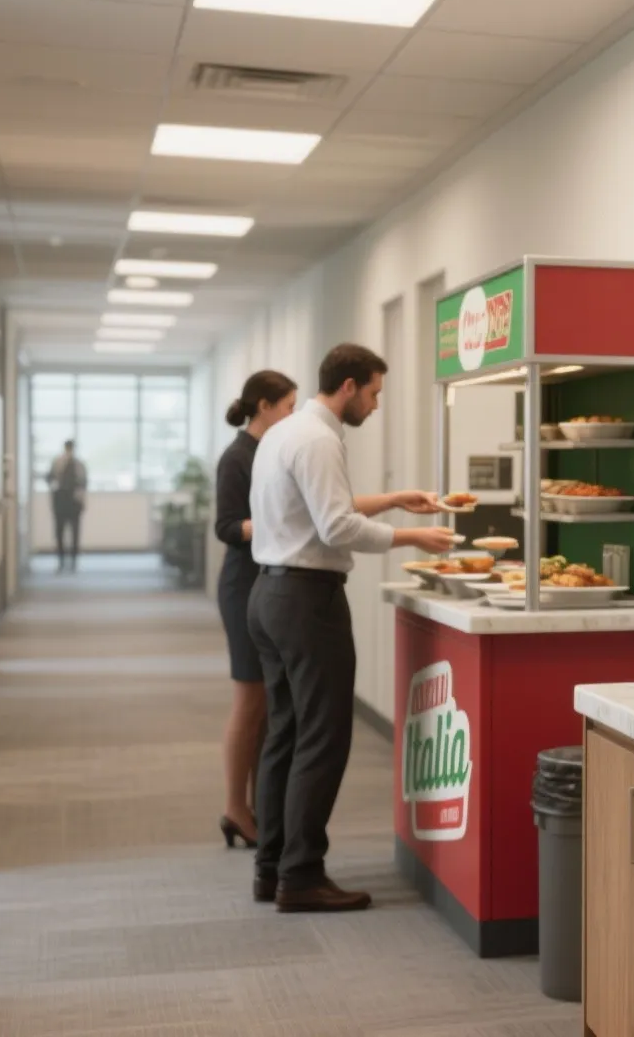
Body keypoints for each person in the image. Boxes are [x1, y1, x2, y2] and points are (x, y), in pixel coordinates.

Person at [247, 344, 454, 913]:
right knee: (322, 737)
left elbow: (317, 508)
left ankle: (272, 868)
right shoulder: (317, 439)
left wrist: (393, 501)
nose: (376, 405)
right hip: (305, 603)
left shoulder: (285, 434)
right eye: (374, 393)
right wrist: (417, 539)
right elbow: (336, 527)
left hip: (269, 593)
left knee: (285, 736)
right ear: (348, 387)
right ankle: (302, 875)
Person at [213, 370, 298, 851]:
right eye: (288, 406)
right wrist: (277, 521)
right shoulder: (237, 457)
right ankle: (235, 808)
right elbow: (226, 527)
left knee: (267, 705)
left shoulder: (269, 452)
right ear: (263, 406)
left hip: (266, 582)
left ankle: (258, 804)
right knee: (249, 704)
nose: (292, 414)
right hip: (242, 585)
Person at [45, 440, 87, 571]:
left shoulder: (79, 464)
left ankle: (73, 561)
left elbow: (84, 483)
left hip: (74, 503)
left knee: (75, 533)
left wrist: (82, 500)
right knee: (59, 533)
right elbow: (49, 478)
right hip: (60, 501)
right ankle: (61, 561)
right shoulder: (57, 462)